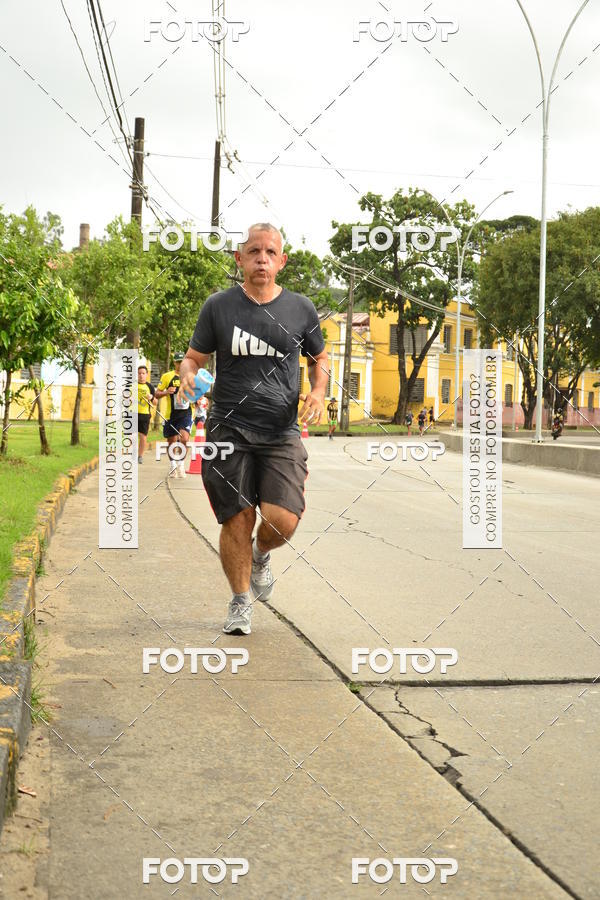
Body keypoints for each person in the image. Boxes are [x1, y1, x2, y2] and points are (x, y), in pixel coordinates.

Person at [178, 223, 329, 635]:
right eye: (254, 251)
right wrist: (188, 373)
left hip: (281, 431)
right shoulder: (218, 307)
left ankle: (262, 553)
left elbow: (321, 359)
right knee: (237, 517)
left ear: (281, 261)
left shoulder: (301, 309)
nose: (262, 258)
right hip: (228, 429)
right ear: (239, 259)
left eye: (270, 252)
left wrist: (318, 392)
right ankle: (240, 600)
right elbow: (193, 357)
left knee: (283, 519)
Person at [155, 352, 192, 479]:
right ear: (174, 362)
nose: (180, 364)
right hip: (170, 415)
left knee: (184, 439)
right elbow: (156, 394)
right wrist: (166, 392)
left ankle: (181, 464)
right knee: (171, 442)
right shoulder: (167, 376)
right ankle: (173, 465)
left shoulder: (190, 376)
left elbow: (198, 393)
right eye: (178, 362)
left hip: (186, 414)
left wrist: (198, 399)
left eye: (182, 362)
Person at [137, 364, 157, 464]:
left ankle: (140, 456)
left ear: (146, 374)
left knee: (143, 437)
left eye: (143, 373)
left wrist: (152, 398)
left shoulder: (150, 387)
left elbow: (156, 402)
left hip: (145, 415)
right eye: (139, 373)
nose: (141, 375)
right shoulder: (131, 386)